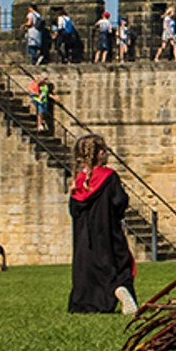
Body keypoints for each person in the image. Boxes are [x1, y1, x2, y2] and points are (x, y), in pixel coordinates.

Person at [67, 134, 138, 314]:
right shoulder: (109, 177)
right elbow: (119, 201)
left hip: (84, 237)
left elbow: (73, 210)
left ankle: (86, 304)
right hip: (107, 231)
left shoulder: (78, 182)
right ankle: (120, 288)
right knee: (117, 264)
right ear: (99, 154)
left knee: (87, 269)